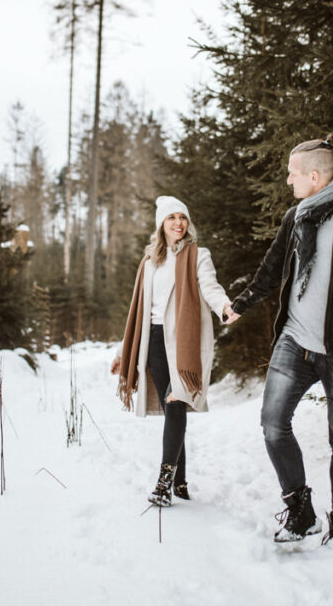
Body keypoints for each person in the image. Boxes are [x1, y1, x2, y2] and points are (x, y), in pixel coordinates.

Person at [225, 135, 333, 543]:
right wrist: (242, 304)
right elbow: (272, 269)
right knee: (272, 425)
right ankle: (300, 511)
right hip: (294, 343)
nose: (289, 181)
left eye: (293, 174)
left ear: (315, 176)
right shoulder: (297, 217)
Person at [111, 196, 234, 507]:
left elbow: (209, 286)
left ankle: (164, 482)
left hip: (184, 341)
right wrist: (123, 353)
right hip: (153, 341)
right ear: (161, 225)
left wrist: (224, 306)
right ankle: (180, 483)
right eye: (172, 218)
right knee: (172, 411)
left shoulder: (198, 256)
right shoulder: (150, 262)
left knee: (176, 399)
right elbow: (137, 311)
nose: (179, 223)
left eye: (183, 217)